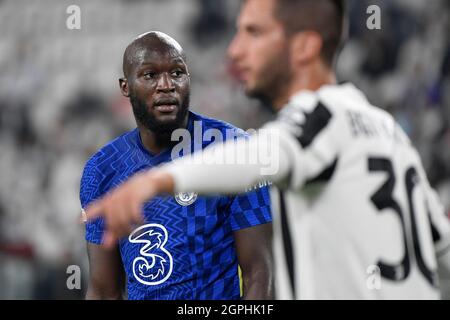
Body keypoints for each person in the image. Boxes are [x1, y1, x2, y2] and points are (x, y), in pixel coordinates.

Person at [85, 0, 450, 299]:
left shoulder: (316, 121)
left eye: (253, 33)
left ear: (304, 46)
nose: (235, 50)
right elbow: (440, 242)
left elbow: (258, 157)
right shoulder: (387, 130)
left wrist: (156, 181)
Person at [80, 31, 273, 300]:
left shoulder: (235, 150)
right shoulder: (102, 169)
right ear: (126, 87)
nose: (167, 85)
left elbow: (260, 273)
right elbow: (103, 289)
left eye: (177, 73)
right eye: (150, 75)